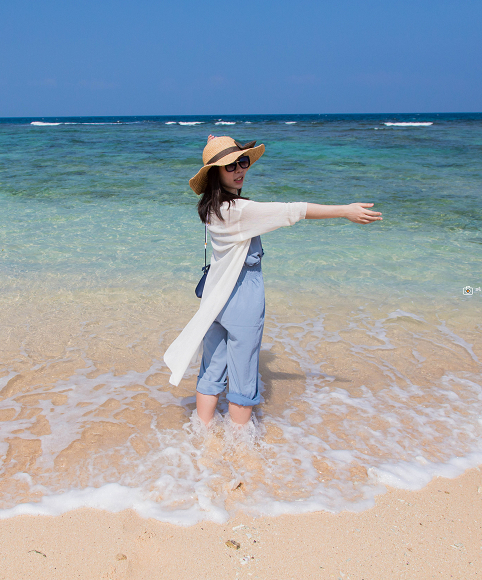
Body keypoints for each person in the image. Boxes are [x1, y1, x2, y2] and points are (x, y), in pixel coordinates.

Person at [163, 135, 382, 428]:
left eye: (242, 162)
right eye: (230, 166)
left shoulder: (211, 209)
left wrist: (215, 148)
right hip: (242, 299)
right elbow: (295, 210)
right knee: (243, 378)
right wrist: (344, 211)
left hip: (215, 299)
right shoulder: (241, 211)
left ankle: (202, 436)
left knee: (211, 371)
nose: (240, 170)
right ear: (216, 172)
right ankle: (241, 448)